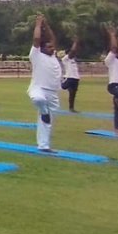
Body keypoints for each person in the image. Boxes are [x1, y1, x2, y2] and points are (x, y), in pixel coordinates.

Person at [28, 14, 61, 153]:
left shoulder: (53, 56)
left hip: (53, 92)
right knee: (38, 99)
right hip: (39, 88)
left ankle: (44, 145)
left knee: (47, 121)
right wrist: (38, 24)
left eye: (53, 47)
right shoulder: (36, 55)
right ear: (42, 48)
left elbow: (52, 39)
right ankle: (43, 111)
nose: (52, 49)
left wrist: (46, 25)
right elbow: (36, 39)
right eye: (49, 47)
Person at [61, 41, 81, 112]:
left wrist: (77, 44)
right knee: (62, 87)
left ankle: (71, 108)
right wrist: (75, 42)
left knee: (72, 94)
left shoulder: (73, 60)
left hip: (75, 78)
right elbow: (73, 51)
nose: (74, 54)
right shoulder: (66, 58)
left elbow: (74, 51)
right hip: (69, 78)